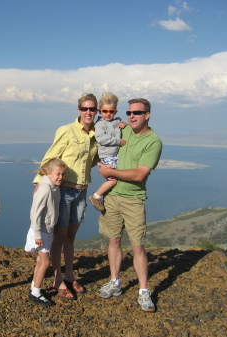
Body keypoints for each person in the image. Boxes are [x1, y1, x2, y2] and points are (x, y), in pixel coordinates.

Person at [96, 98, 162, 312]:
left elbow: (140, 174)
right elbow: (102, 136)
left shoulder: (153, 141)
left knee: (137, 247)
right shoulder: (123, 131)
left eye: (137, 113)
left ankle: (144, 291)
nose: (131, 116)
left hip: (133, 199)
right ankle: (115, 282)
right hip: (113, 197)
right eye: (129, 112)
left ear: (147, 115)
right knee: (113, 241)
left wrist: (110, 172)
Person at [33, 93, 99, 300]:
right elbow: (50, 158)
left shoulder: (98, 133)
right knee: (59, 238)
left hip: (82, 190)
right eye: (85, 108)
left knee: (71, 237)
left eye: (92, 109)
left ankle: (69, 275)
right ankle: (58, 278)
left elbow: (94, 160)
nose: (89, 112)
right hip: (64, 191)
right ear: (78, 110)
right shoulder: (67, 131)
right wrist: (39, 182)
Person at [25, 158, 67, 307]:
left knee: (40, 261)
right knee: (45, 261)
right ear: (49, 173)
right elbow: (35, 212)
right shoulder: (45, 188)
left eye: (63, 174)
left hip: (46, 229)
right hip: (40, 230)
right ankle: (36, 292)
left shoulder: (53, 187)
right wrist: (37, 234)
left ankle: (34, 288)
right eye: (58, 174)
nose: (61, 177)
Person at [89, 92, 126, 211]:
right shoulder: (99, 125)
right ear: (100, 111)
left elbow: (124, 123)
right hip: (107, 155)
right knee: (114, 179)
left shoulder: (116, 121)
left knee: (118, 177)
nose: (108, 114)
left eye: (112, 111)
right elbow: (101, 139)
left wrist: (123, 123)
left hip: (115, 155)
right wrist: (118, 141)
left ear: (115, 112)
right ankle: (96, 196)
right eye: (105, 111)